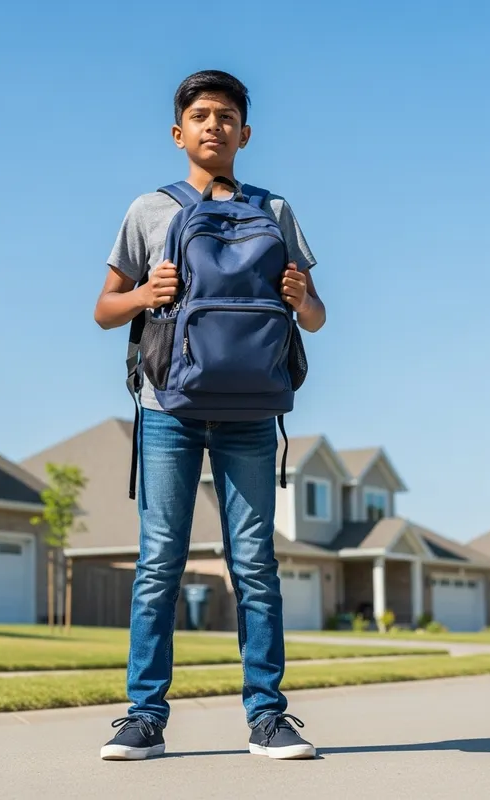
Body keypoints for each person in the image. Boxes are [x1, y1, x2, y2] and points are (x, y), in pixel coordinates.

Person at [94, 70, 326, 761]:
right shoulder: (148, 211)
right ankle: (143, 717)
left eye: (226, 117)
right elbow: (104, 309)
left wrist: (301, 296)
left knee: (253, 561)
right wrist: (144, 294)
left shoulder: (275, 210)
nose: (214, 126)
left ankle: (268, 717)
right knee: (159, 560)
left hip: (252, 410)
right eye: (200, 115)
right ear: (178, 132)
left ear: (245, 133)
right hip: (169, 404)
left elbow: (314, 317)